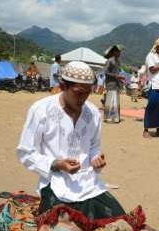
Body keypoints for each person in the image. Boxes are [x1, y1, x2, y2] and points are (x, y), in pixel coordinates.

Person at [16, 61, 125, 219]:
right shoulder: (41, 110)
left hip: (88, 184)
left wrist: (95, 159)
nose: (83, 98)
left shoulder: (93, 113)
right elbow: (25, 152)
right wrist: (56, 164)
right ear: (63, 86)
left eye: (88, 92)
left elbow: (94, 145)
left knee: (121, 223)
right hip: (55, 182)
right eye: (79, 92)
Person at [103, 44, 125, 123]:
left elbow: (117, 73)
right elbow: (106, 72)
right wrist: (117, 76)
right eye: (119, 52)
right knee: (110, 100)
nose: (120, 53)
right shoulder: (109, 61)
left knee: (115, 100)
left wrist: (120, 78)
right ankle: (108, 117)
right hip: (110, 83)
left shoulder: (117, 61)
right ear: (114, 52)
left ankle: (115, 117)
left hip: (116, 84)